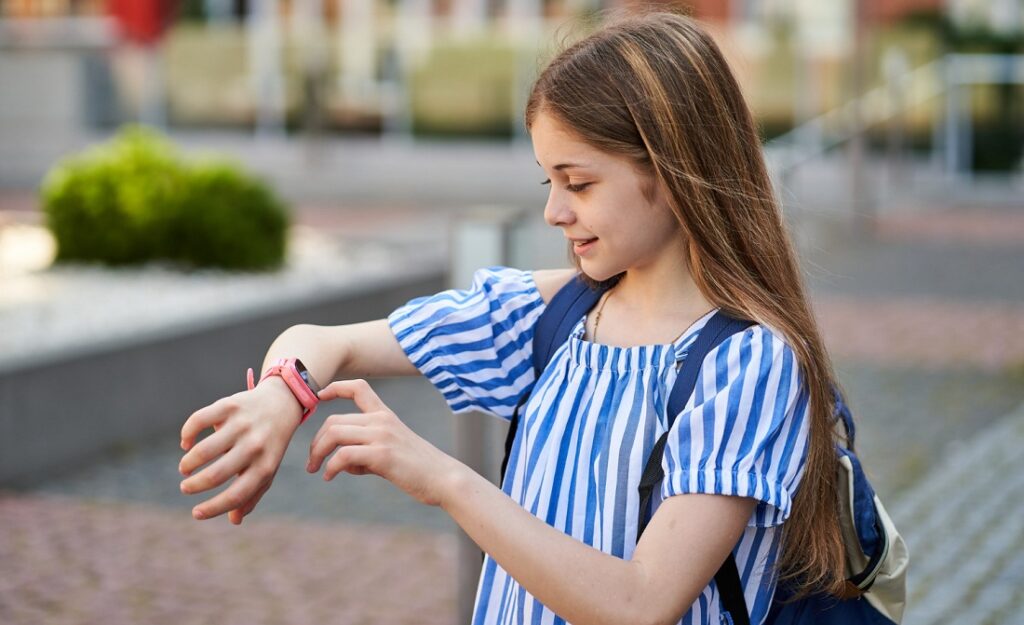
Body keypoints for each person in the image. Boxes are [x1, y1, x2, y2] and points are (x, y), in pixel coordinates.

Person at [178, 10, 848, 625]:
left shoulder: (749, 363)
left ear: (672, 170)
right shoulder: (547, 315)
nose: (555, 211)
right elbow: (326, 343)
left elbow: (643, 601)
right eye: (546, 181)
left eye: (579, 182)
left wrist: (442, 478)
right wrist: (281, 395)